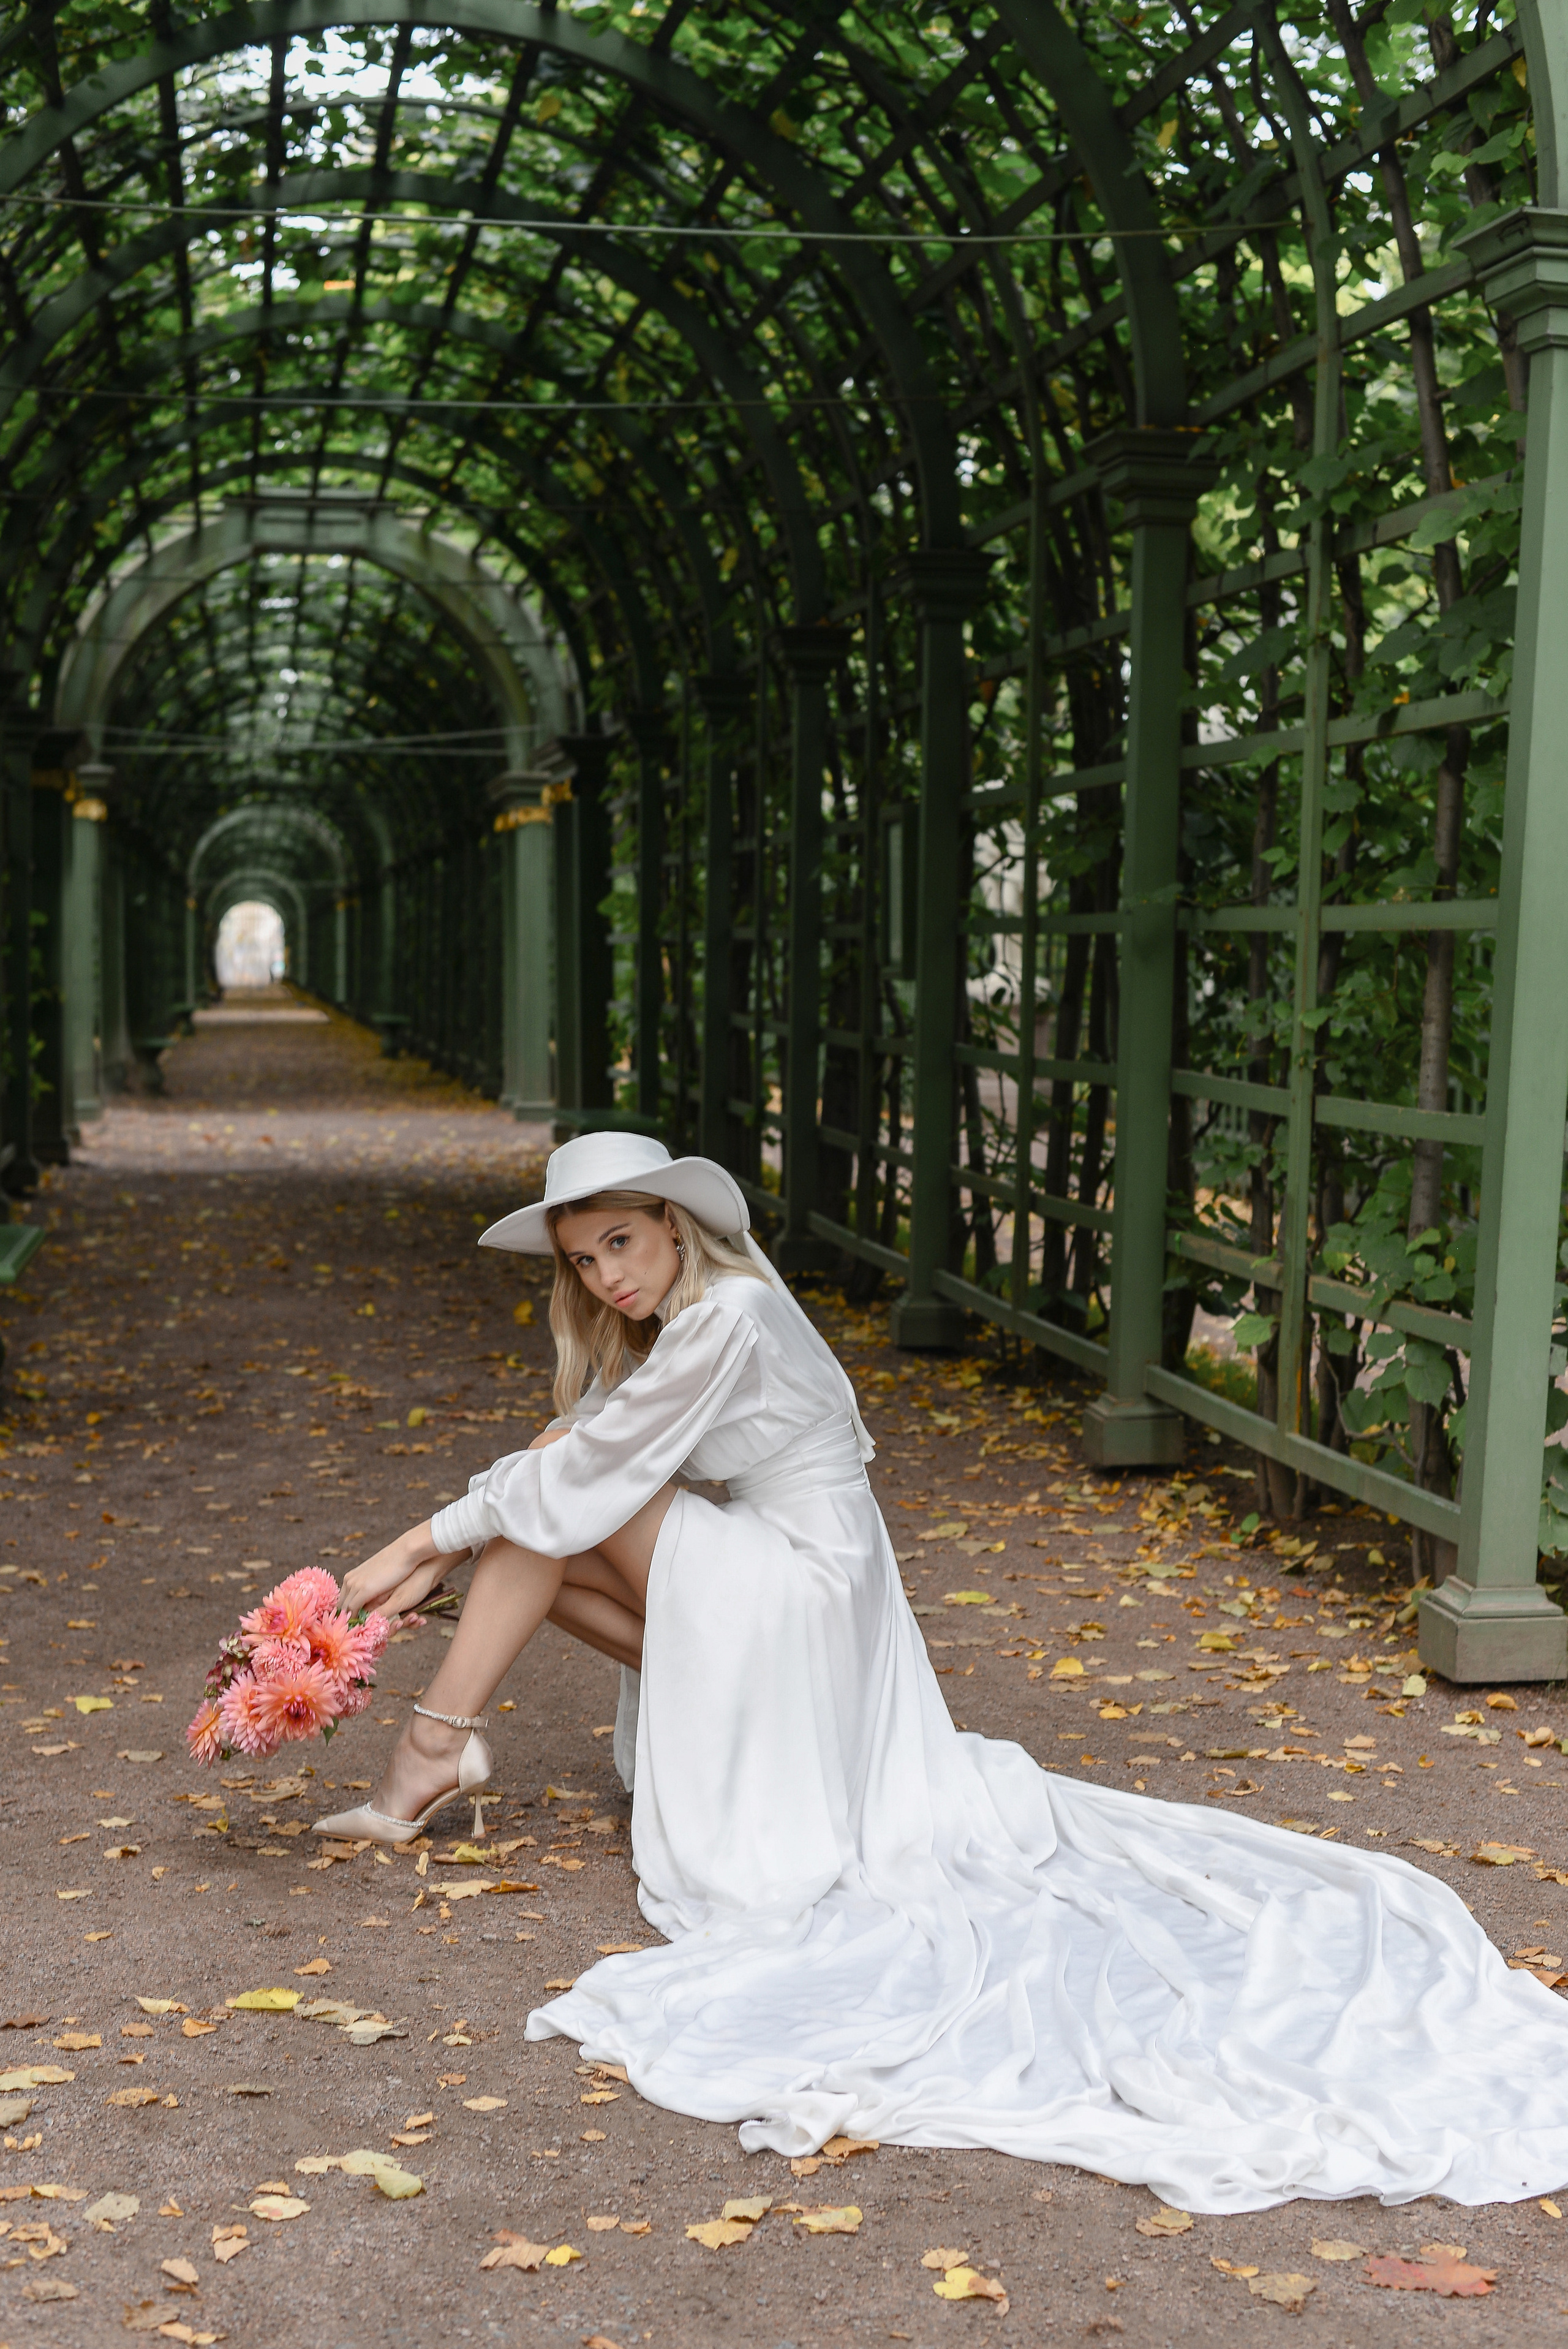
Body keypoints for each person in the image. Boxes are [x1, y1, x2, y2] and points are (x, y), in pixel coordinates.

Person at [325, 1132, 1568, 2212]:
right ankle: (450, 1744)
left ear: (673, 1223)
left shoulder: (732, 1314)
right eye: (583, 1262)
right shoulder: (680, 1329)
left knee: (540, 1512)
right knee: (546, 1498)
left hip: (803, 1577)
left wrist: (410, 1546)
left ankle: (432, 1750)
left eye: (620, 1244)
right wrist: (462, 1535)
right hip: (809, 1595)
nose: (607, 1276)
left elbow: (572, 1484)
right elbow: (583, 1456)